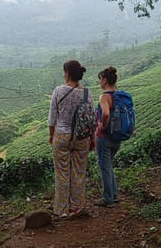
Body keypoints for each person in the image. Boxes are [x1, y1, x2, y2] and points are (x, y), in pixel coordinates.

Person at [47, 60, 93, 218]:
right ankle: (77, 207)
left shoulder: (59, 91)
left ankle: (61, 210)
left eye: (64, 71)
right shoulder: (87, 93)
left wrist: (51, 136)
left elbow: (52, 117)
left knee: (62, 173)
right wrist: (91, 139)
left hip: (62, 135)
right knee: (79, 172)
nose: (63, 74)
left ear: (67, 73)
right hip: (82, 137)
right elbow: (90, 118)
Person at [94, 66, 121, 208]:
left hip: (105, 137)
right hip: (117, 136)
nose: (99, 82)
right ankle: (114, 194)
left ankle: (108, 198)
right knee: (108, 165)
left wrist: (102, 126)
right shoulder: (120, 95)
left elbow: (105, 114)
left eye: (100, 79)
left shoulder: (105, 96)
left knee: (104, 167)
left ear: (104, 80)